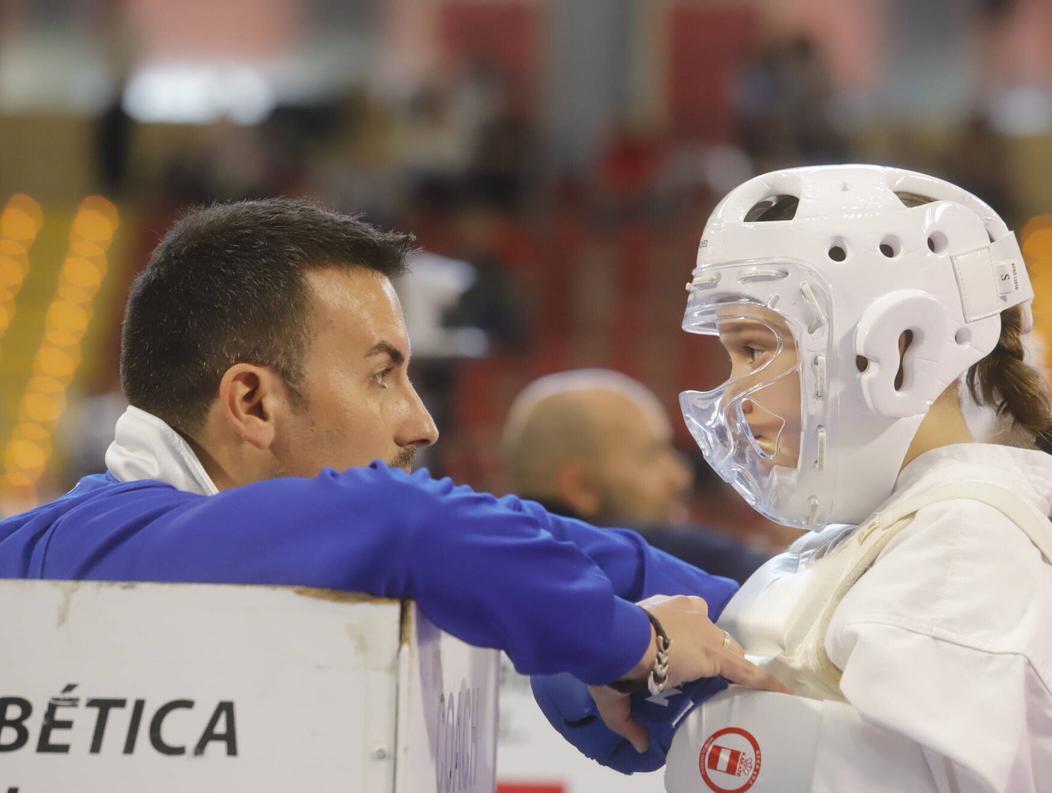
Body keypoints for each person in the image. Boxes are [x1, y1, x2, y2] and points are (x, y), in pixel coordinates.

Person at [0, 199, 787, 752]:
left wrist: (783, 615)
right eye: (382, 375)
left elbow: (521, 530)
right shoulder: (82, 546)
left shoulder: (229, 550)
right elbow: (410, 522)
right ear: (252, 403)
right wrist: (635, 646)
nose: (424, 423)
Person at [538, 165, 1052, 793]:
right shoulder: (884, 536)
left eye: (754, 350)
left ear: (899, 348)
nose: (737, 392)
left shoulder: (964, 548)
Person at [501, 369, 770, 582]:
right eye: (651, 456)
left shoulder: (504, 557)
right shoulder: (649, 556)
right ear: (580, 487)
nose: (681, 476)